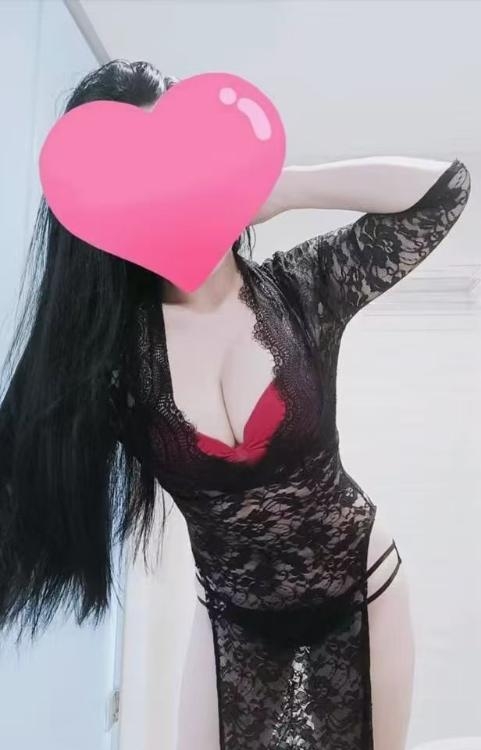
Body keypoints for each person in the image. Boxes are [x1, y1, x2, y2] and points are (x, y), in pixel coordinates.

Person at [0, 59, 471, 750]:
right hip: (232, 620)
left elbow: (442, 190)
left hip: (362, 589)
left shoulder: (304, 288)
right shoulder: (110, 361)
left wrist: (278, 190)